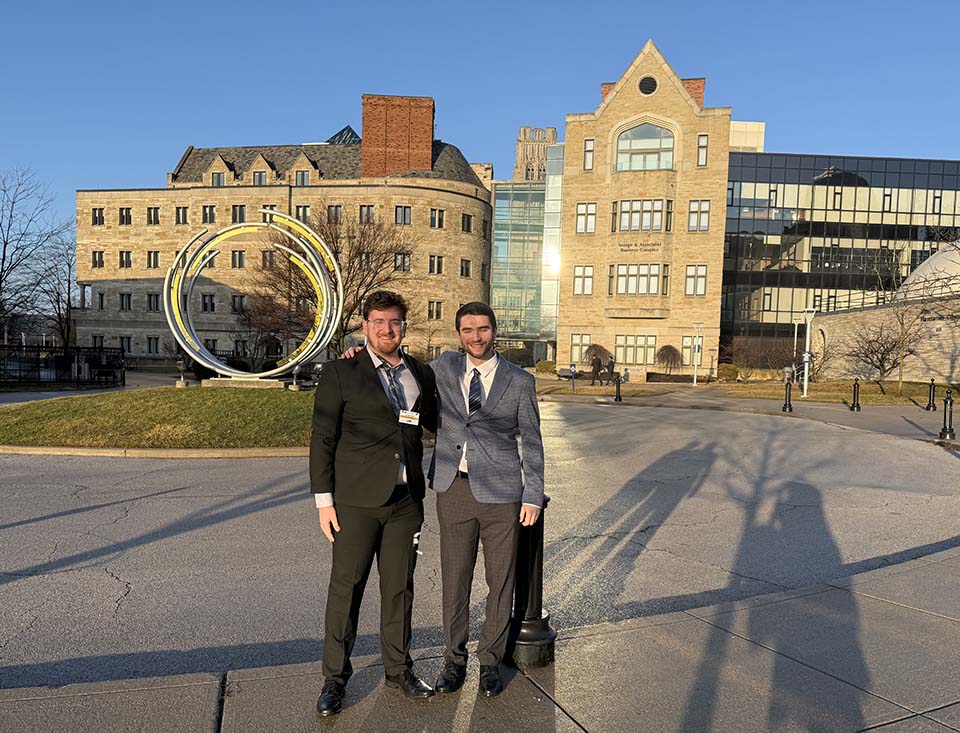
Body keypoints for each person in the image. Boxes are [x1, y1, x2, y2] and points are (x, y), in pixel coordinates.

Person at [310, 290, 438, 717]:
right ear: (364, 325)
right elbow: (323, 438)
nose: (387, 329)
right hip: (355, 502)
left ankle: (398, 669)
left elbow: (435, 421)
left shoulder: (420, 372)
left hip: (406, 502)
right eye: (379, 321)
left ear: (404, 326)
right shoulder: (341, 372)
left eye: (395, 322)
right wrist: (324, 501)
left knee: (400, 588)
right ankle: (334, 679)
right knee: (346, 589)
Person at [429, 302, 545, 698]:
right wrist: (355, 354)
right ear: (458, 334)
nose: (475, 337)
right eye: (467, 330)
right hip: (454, 489)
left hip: (503, 495)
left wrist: (532, 495)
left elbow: (531, 441)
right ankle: (453, 659)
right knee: (454, 581)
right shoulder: (443, 368)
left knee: (501, 582)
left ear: (495, 330)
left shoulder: (519, 381)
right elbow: (397, 370)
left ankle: (490, 661)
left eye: (482, 329)